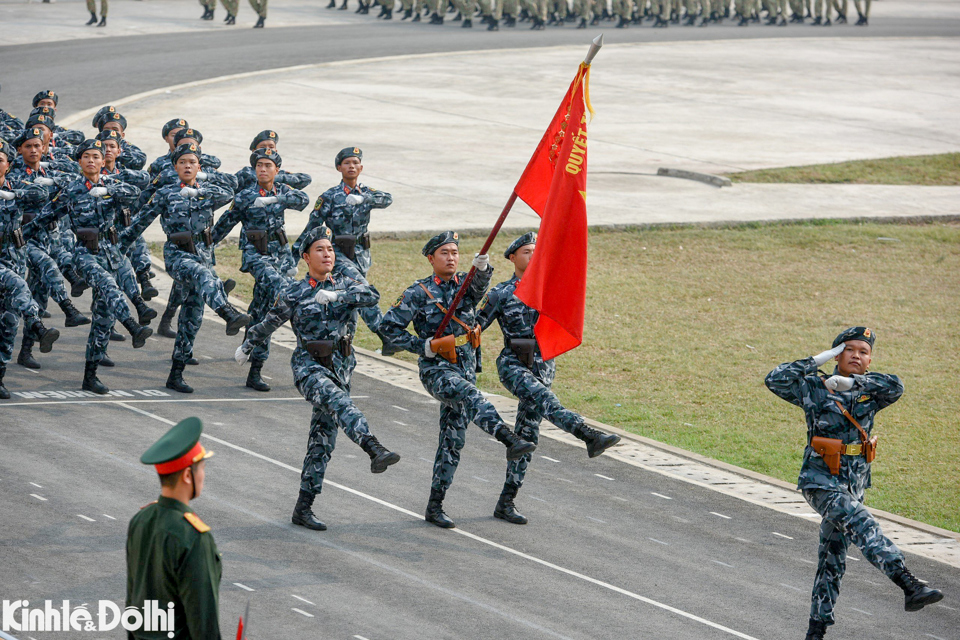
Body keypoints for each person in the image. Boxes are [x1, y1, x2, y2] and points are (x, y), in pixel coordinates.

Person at [764, 327, 943, 640]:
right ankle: (908, 584)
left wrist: (855, 382)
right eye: (850, 350)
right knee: (864, 526)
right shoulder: (814, 386)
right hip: (820, 480)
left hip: (853, 486)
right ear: (838, 354)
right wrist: (816, 360)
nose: (857, 355)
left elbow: (897, 386)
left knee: (832, 558)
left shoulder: (872, 390)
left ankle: (816, 631)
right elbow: (774, 378)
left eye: (864, 351)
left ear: (870, 359)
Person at [236, 224, 400, 530]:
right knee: (340, 403)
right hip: (309, 367)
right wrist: (248, 344)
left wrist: (337, 296)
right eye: (320, 250)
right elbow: (269, 321)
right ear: (306, 257)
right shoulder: (295, 291)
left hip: (341, 368)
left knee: (322, 441)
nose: (327, 254)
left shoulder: (347, 283)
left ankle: (303, 507)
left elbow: (371, 294)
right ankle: (373, 447)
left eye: (330, 249)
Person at [379, 231, 536, 529]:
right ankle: (509, 438)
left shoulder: (465, 284)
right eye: (444, 253)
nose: (451, 258)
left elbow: (478, 287)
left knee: (453, 439)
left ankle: (435, 505)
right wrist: (420, 346)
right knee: (472, 397)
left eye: (455, 253)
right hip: (437, 370)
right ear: (431, 258)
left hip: (464, 365)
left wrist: (483, 267)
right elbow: (389, 328)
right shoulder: (418, 292)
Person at [477, 232, 620, 524]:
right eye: (527, 251)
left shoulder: (550, 290)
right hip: (514, 364)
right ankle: (586, 434)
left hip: (544, 365)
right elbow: (475, 327)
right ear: (512, 258)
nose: (533, 255)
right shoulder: (502, 293)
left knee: (527, 437)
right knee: (546, 400)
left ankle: (506, 502)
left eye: (536, 251)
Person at [126, 143, 249, 393]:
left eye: (192, 162)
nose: (187, 166)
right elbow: (139, 223)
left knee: (192, 316)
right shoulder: (165, 194)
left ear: (199, 167)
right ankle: (227, 313)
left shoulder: (207, 192)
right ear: (175, 167)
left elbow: (229, 191)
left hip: (203, 253)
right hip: (177, 254)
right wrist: (118, 250)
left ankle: (176, 373)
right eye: (182, 162)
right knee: (203, 275)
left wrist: (201, 186)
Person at [38, 139, 152, 393]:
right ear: (79, 162)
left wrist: (109, 191)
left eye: (96, 157)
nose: (91, 160)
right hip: (85, 253)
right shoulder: (72, 189)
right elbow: (46, 215)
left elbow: (137, 192)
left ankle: (90, 375)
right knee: (110, 287)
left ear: (103, 161)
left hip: (112, 252)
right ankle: (133, 326)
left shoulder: (112, 184)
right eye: (86, 156)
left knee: (103, 316)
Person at [212, 147, 308, 391]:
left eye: (268, 165)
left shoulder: (283, 191)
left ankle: (253, 365)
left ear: (277, 170)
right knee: (283, 292)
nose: (263, 169)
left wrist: (276, 199)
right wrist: (206, 245)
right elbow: (225, 223)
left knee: (263, 309)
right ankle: (302, 352)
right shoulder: (245, 196)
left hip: (281, 256)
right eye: (259, 165)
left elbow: (303, 200)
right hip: (256, 256)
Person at [127, 416, 221, 640]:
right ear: (188, 476)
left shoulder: (140, 520)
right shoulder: (193, 537)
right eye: (202, 468)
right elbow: (203, 624)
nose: (203, 475)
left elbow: (133, 605)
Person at [294, 147, 396, 355]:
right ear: (339, 167)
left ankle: (345, 347)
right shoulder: (329, 197)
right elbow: (311, 227)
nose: (352, 166)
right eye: (347, 163)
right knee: (362, 289)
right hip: (338, 255)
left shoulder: (367, 193)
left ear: (361, 167)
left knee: (353, 301)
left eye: (355, 163)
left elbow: (387, 199)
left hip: (361, 255)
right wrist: (294, 256)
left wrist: (364, 199)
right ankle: (385, 334)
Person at [0, 141, 60, 398]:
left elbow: (42, 194)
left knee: (9, 324)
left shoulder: (15, 187)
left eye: (0, 159)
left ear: (8, 165)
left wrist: (14, 195)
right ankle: (36, 324)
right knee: (19, 285)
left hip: (13, 260)